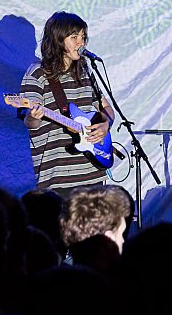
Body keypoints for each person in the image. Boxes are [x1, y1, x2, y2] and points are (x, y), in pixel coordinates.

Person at [20, 12, 114, 194]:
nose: (81, 43)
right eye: (74, 37)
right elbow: (30, 123)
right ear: (57, 39)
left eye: (83, 37)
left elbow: (107, 108)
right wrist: (33, 116)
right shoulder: (37, 73)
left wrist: (105, 125)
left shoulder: (85, 70)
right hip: (57, 177)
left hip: (93, 173)